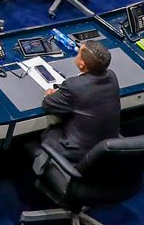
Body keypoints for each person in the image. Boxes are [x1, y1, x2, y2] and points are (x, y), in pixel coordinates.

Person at [37, 39, 120, 170]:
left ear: (82, 65)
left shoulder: (73, 86)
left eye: (78, 53)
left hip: (77, 150)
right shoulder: (111, 76)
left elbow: (48, 104)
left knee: (48, 132)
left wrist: (49, 94)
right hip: (108, 144)